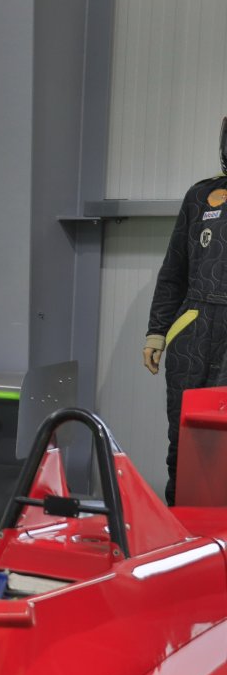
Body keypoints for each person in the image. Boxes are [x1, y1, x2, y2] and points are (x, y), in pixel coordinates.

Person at [143, 166, 227, 505]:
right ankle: (181, 527)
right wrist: (156, 332)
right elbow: (174, 271)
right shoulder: (201, 196)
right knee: (185, 441)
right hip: (193, 332)